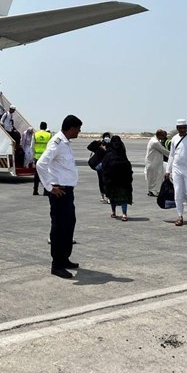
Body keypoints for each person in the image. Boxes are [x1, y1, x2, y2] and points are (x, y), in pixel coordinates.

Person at [35, 114, 83, 279]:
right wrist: (49, 187)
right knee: (59, 227)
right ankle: (57, 264)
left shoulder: (65, 142)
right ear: (71, 128)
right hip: (59, 191)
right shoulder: (56, 143)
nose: (79, 131)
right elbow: (41, 164)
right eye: (78, 129)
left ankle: (64, 258)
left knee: (69, 224)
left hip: (67, 191)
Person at [101, 135, 133, 221]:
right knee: (124, 197)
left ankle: (113, 212)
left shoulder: (109, 153)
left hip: (111, 180)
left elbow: (104, 166)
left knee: (113, 197)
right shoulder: (122, 153)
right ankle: (124, 214)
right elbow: (128, 166)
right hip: (123, 180)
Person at [87, 132, 112, 203]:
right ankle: (103, 197)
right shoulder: (99, 145)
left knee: (106, 181)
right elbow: (89, 147)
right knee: (102, 181)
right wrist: (97, 142)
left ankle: (108, 197)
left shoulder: (111, 146)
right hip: (100, 166)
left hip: (107, 166)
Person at [145, 129, 169, 197]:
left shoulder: (155, 140)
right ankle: (153, 191)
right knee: (154, 177)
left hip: (154, 162)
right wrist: (174, 155)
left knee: (153, 177)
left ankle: (152, 191)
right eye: (162, 136)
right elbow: (164, 151)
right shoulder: (155, 142)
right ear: (158, 135)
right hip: (153, 162)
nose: (163, 137)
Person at [33, 121, 52, 195]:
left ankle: (35, 190)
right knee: (45, 174)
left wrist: (33, 156)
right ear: (46, 127)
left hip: (37, 157)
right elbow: (51, 147)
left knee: (37, 175)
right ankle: (45, 191)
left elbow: (32, 146)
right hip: (45, 158)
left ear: (40, 127)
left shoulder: (35, 134)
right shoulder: (49, 135)